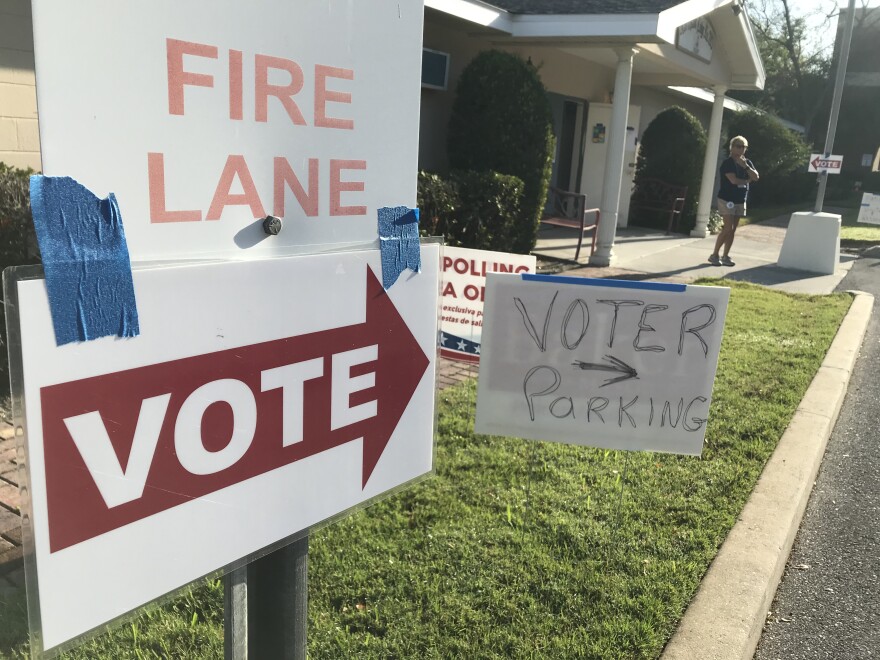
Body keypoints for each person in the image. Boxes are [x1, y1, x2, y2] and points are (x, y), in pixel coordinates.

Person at [709, 136, 759, 266]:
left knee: (733, 229)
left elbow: (756, 177)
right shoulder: (728, 163)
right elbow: (733, 180)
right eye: (738, 146)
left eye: (744, 147)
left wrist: (746, 167)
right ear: (732, 147)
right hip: (727, 199)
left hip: (740, 199)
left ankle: (726, 256)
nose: (741, 149)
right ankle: (714, 254)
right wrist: (747, 181)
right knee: (727, 228)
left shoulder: (747, 162)